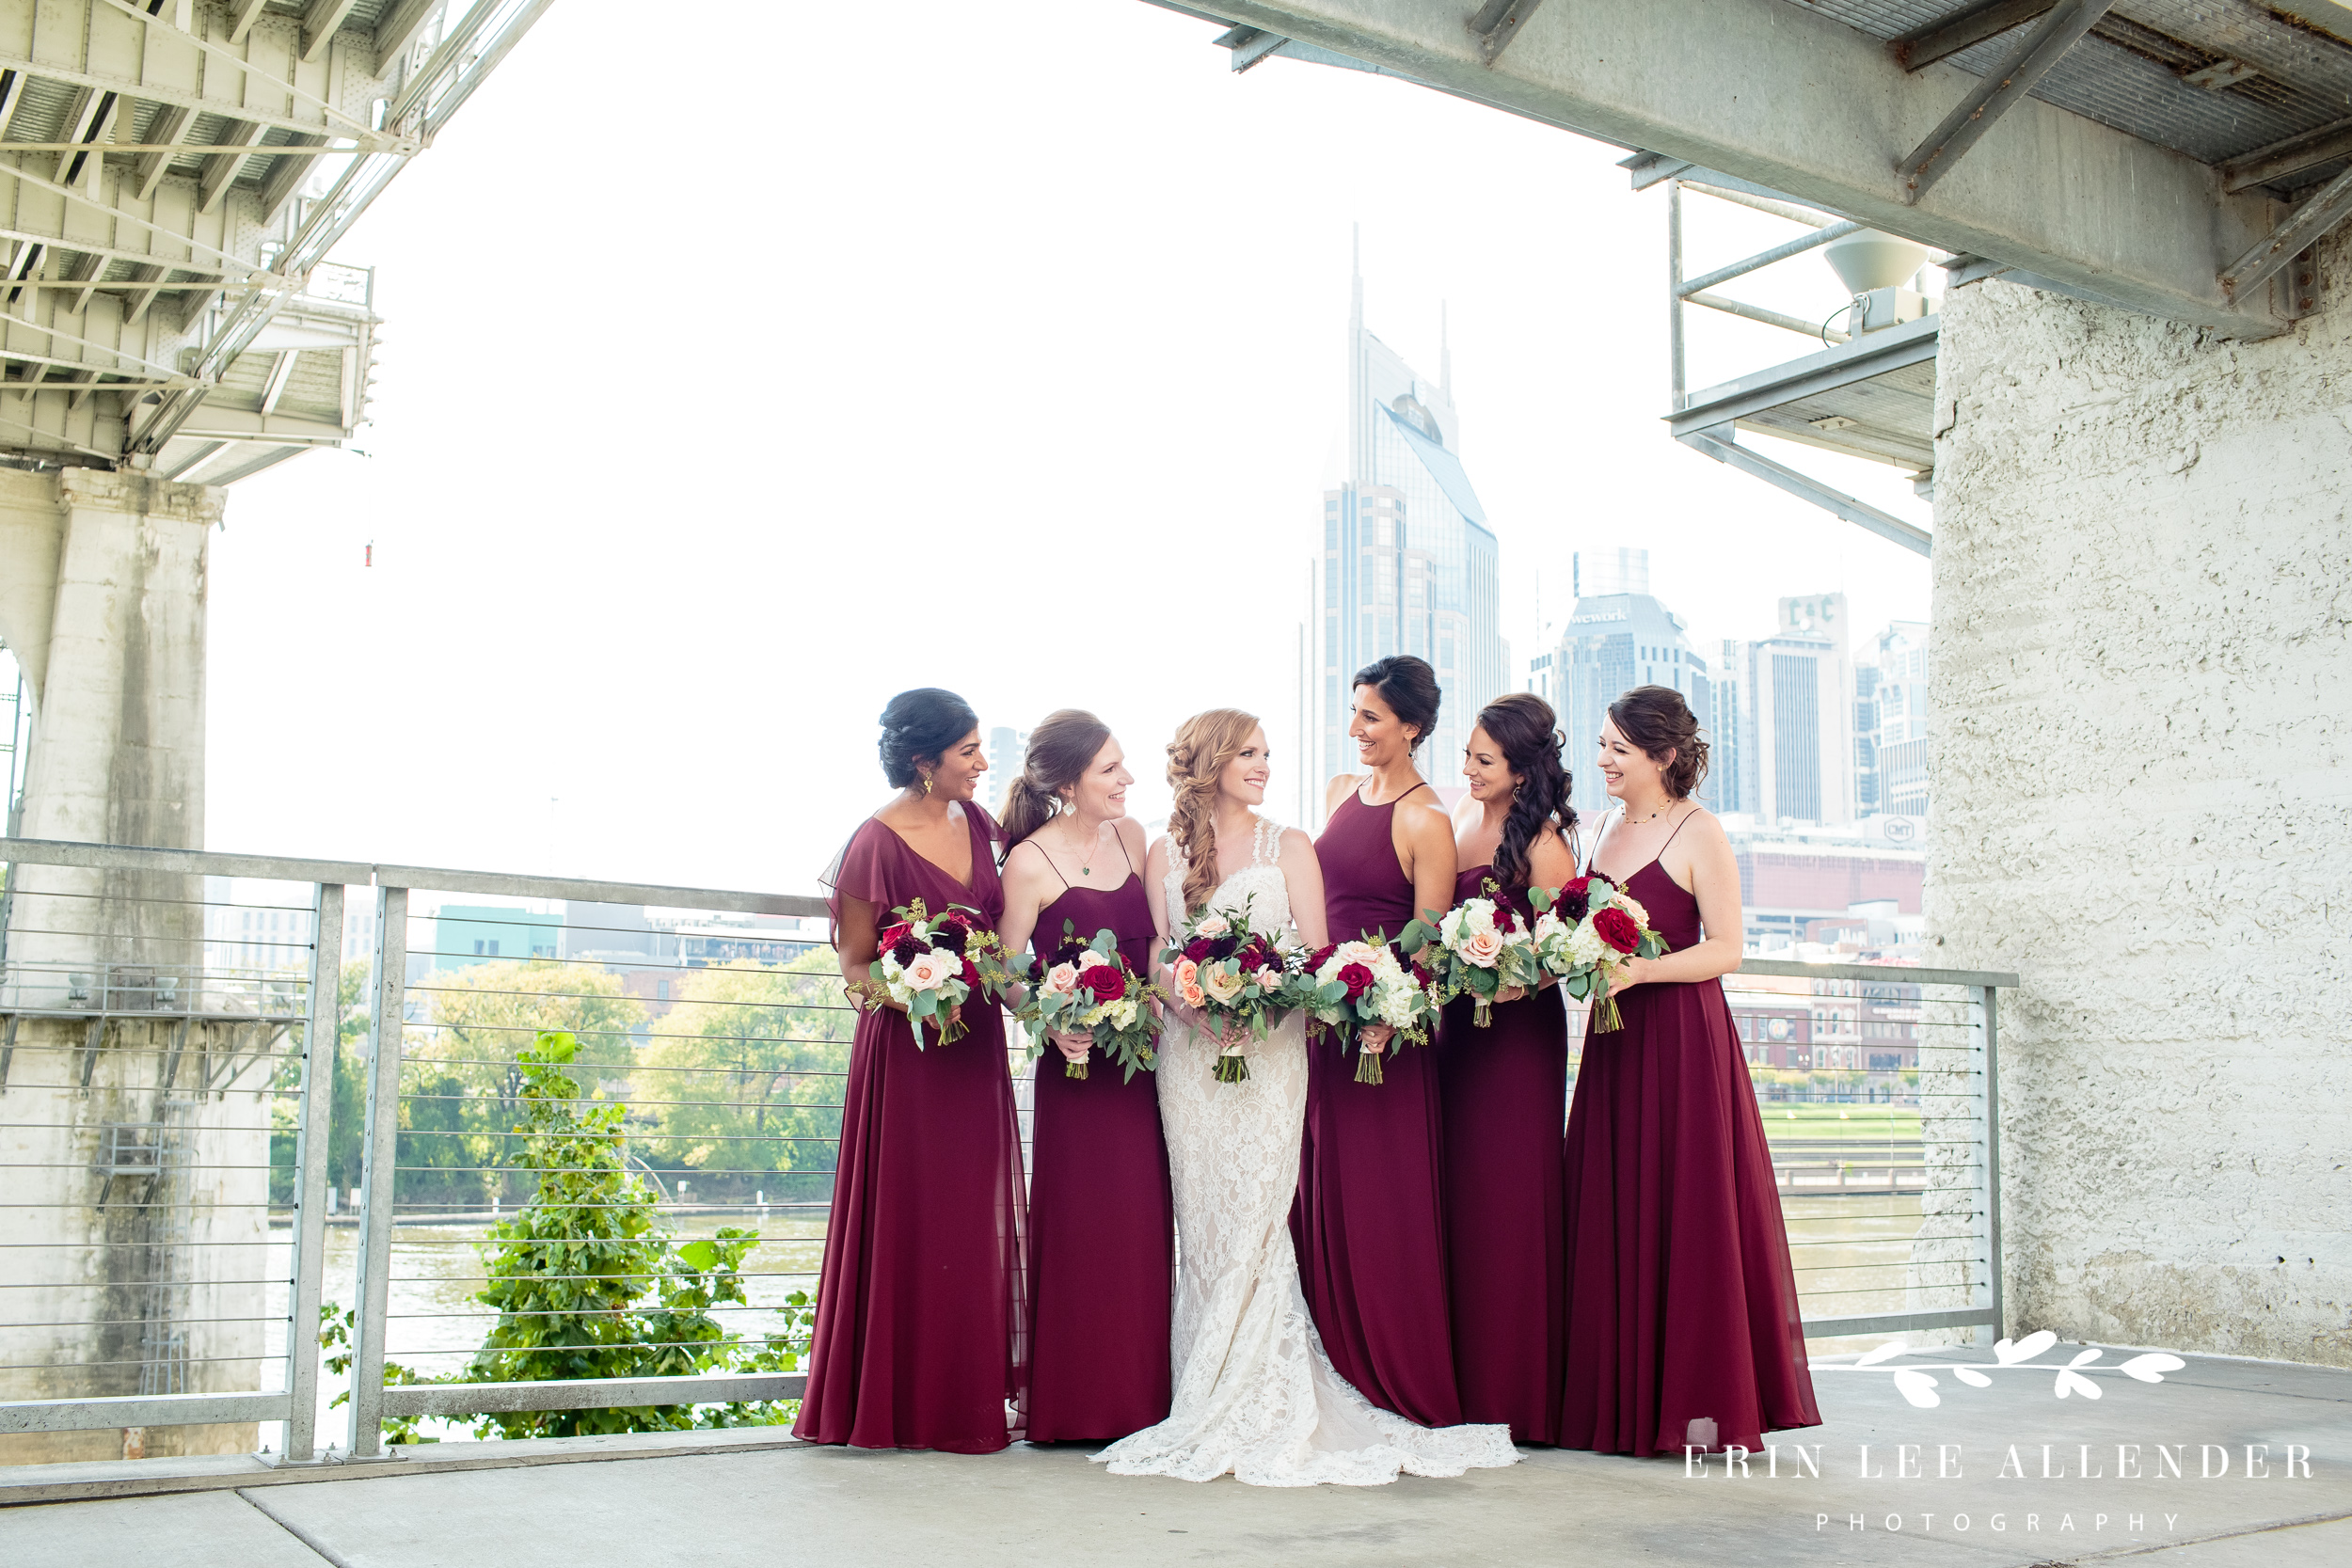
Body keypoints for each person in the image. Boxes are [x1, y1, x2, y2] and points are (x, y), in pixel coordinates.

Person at [1092, 709, 1516, 1487]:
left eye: (1266, 753)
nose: (1263, 765)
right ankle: (1203, 1383)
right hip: (1188, 1060)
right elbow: (1157, 948)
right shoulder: (1163, 848)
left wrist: (1276, 1002)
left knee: (1258, 1213)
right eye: (1248, 753)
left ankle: (1258, 1389)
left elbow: (1317, 953)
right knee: (1205, 1216)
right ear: (1212, 760)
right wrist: (1189, 1002)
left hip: (1273, 1053)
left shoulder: (1288, 843)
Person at [1557, 685, 1821, 1457]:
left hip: (1680, 1038)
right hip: (1613, 1042)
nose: (1602, 760)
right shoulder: (1603, 826)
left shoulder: (1700, 831)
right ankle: (1616, 1403)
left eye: (1618, 749)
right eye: (1601, 744)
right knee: (1612, 1206)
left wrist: (1642, 973)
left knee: (1688, 1211)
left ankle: (1695, 1407)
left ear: (1663, 756)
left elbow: (1726, 948)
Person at [793, 689, 1028, 1452]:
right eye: (968, 752)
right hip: (909, 1058)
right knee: (910, 1213)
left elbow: (1001, 922)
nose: (982, 763)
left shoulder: (980, 824)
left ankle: (963, 1393)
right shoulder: (872, 843)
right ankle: (894, 1399)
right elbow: (857, 967)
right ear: (925, 761)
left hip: (976, 1047)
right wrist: (921, 992)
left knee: (973, 1216)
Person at [1291, 656, 1463, 1427]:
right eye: (1354, 712)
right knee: (1319, 1190)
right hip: (1323, 1026)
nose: (1355, 728)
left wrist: (1387, 1011)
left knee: (1381, 1199)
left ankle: (1392, 1370)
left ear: (1412, 727)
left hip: (1384, 1040)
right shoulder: (1337, 793)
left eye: (1371, 717)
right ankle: (1323, 1356)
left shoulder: (1428, 819)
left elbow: (1430, 941)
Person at [995, 710, 1173, 1444]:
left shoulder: (1134, 838)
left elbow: (1161, 938)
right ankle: (1073, 1406)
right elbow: (1005, 972)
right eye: (1110, 768)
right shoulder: (1029, 862)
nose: (1127, 779)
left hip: (1141, 1071)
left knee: (1139, 1228)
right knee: (1080, 1230)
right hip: (1072, 1072)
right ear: (1068, 782)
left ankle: (1140, 1402)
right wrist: (1048, 1014)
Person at [1437, 692, 1578, 1445]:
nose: (1468, 770)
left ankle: (1514, 1391)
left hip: (1516, 1036)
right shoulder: (1460, 817)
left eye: (1483, 760)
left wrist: (1522, 973)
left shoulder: (1545, 843)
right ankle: (1457, 1381)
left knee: (1508, 1199)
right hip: (1457, 1030)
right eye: (1465, 755)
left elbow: (1568, 947)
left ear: (1522, 771)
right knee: (1458, 1194)